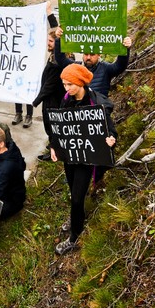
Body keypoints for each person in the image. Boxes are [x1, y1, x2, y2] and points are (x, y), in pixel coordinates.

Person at [51, 64, 118, 255]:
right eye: (64, 84)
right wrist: (54, 146)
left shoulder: (96, 103)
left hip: (87, 159)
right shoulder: (66, 99)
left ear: (80, 83)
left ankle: (74, 237)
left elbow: (110, 130)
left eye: (70, 84)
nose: (67, 88)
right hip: (70, 156)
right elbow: (59, 126)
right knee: (73, 192)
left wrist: (111, 139)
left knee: (78, 197)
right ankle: (75, 217)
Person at [53, 27, 132, 97]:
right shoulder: (76, 67)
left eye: (92, 54)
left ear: (99, 55)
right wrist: (59, 40)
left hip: (99, 107)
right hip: (80, 107)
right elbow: (61, 59)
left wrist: (125, 48)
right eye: (86, 54)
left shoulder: (105, 68)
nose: (88, 57)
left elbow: (119, 66)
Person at [33, 29, 66, 161]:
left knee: (52, 125)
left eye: (51, 41)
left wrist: (36, 100)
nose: (48, 43)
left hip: (54, 100)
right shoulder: (54, 56)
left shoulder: (57, 62)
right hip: (51, 98)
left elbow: (50, 85)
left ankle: (54, 152)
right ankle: (53, 145)